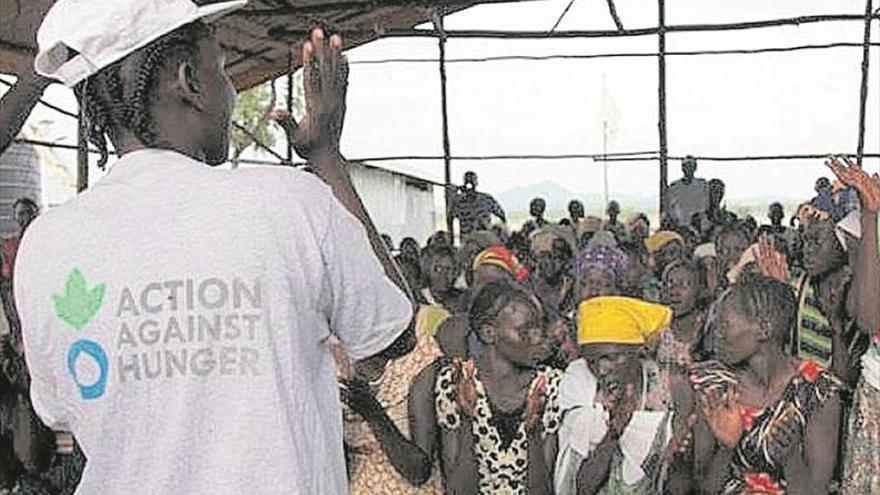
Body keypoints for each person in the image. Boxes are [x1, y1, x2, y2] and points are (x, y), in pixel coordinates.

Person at [17, 5, 416, 493]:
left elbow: (59, 409)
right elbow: (394, 334)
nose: (230, 90)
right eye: (222, 69)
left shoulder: (44, 244)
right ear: (189, 80)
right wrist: (327, 158)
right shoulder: (288, 203)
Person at [685, 278, 843, 495]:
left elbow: (816, 491)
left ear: (764, 330)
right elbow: (703, 489)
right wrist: (726, 447)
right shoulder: (713, 386)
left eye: (725, 325)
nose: (716, 334)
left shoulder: (816, 391)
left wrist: (790, 459)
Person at [413, 280, 560, 493]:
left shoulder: (549, 385)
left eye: (539, 327)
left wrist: (533, 430)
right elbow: (460, 490)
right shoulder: (456, 382)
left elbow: (541, 492)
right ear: (488, 333)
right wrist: (466, 418)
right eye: (525, 330)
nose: (538, 338)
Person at [554, 296, 677, 494]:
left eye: (611, 358)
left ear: (638, 350)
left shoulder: (664, 390)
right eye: (592, 361)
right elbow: (580, 486)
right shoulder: (581, 382)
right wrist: (614, 432)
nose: (601, 369)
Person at [658, 260, 708, 369]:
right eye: (669, 284)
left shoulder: (710, 330)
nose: (674, 291)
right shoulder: (654, 331)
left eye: (683, 284)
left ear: (700, 290)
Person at [448, 172, 506, 240]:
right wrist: (453, 195)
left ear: (476, 183)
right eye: (468, 181)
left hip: (484, 240)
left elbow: (502, 216)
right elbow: (450, 218)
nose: (470, 185)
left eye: (472, 181)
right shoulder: (458, 202)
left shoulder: (486, 199)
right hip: (468, 241)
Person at [417, 243, 464, 313]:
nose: (443, 274)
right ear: (427, 269)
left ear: (455, 272)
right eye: (437, 268)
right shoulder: (417, 299)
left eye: (448, 269)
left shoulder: (463, 299)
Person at [667, 156, 709, 228]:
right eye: (686, 166)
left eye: (691, 165)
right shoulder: (674, 186)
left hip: (699, 224)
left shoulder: (702, 185)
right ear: (682, 168)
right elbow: (670, 206)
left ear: (695, 168)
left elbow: (706, 204)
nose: (688, 168)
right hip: (680, 224)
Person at [692, 179, 737, 244]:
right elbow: (696, 241)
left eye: (719, 192)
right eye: (713, 191)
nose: (716, 195)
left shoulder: (731, 217)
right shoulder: (697, 218)